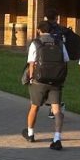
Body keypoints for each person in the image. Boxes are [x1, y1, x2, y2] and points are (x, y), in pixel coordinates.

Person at [23, 19, 68, 150]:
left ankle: (30, 133)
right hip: (55, 81)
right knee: (57, 110)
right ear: (51, 30)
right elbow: (65, 60)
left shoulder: (36, 43)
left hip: (39, 80)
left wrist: (31, 78)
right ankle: (57, 138)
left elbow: (31, 62)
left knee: (34, 107)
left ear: (39, 30)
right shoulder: (59, 43)